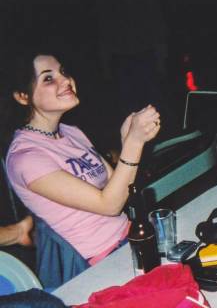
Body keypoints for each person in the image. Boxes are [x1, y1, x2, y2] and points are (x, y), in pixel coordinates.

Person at [4, 52, 161, 264]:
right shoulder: (26, 158)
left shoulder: (70, 132)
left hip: (129, 235)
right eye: (48, 78)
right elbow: (110, 205)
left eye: (63, 72)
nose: (66, 80)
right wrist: (134, 144)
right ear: (23, 96)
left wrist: (126, 143)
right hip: (101, 260)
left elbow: (119, 188)